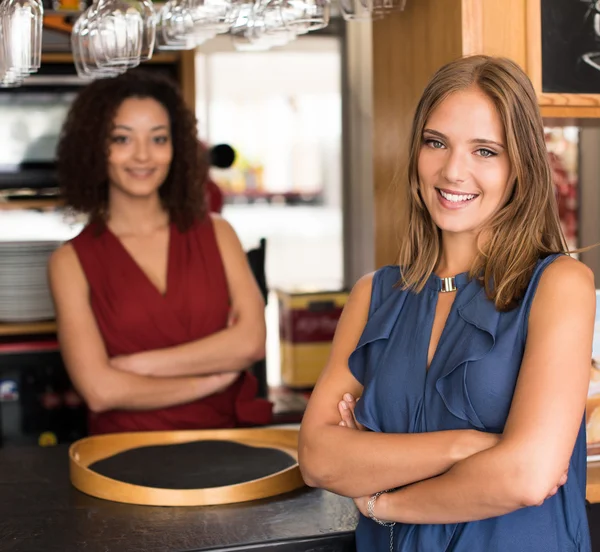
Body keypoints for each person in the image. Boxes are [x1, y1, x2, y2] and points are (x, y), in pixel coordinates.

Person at [298, 55, 595, 551]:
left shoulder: (560, 284)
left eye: (485, 150)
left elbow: (525, 476)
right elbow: (318, 458)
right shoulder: (374, 295)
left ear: (520, 164)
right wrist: (467, 447)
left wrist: (383, 500)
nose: (453, 170)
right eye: (436, 143)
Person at [48, 70, 272, 435]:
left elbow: (251, 342)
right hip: (120, 459)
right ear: (94, 148)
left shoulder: (218, 232)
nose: (142, 156)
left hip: (227, 450)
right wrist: (210, 381)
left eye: (159, 138)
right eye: (122, 139)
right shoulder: (69, 262)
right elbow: (100, 391)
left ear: (176, 147)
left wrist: (138, 366)